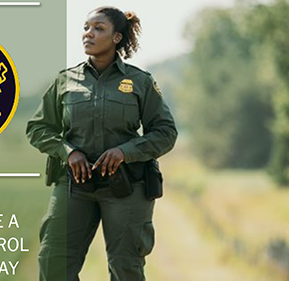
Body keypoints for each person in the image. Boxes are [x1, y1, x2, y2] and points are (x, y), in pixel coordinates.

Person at [26, 6, 177, 281]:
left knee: (126, 268)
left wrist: (125, 152)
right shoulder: (65, 81)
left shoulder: (139, 81)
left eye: (98, 28)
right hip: (74, 186)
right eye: (86, 27)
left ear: (117, 37)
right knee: (53, 264)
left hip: (127, 187)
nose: (89, 34)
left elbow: (165, 132)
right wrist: (67, 152)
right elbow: (38, 127)